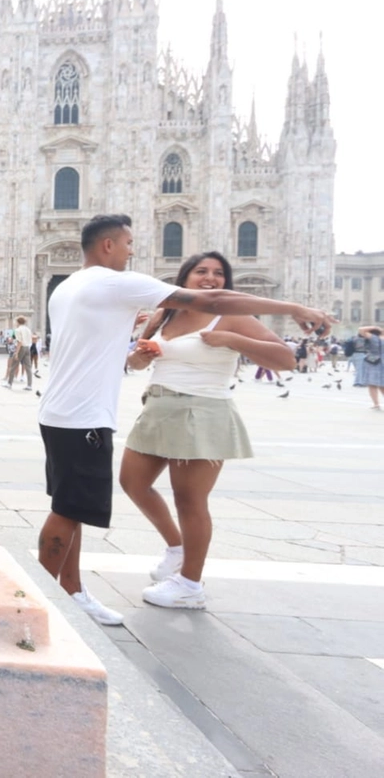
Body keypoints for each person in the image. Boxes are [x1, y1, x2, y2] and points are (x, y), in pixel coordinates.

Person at [36, 215, 332, 626]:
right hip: (84, 415)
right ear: (108, 246)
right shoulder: (115, 283)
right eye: (128, 243)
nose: (132, 250)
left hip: (64, 411)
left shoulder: (69, 285)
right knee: (68, 511)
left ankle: (71, 591)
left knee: (71, 506)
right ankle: (39, 605)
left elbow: (114, 347)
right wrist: (293, 306)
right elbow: (212, 303)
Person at [119, 252, 296, 610]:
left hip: (204, 411)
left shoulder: (231, 316)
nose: (210, 278)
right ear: (184, 278)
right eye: (201, 272)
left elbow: (286, 359)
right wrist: (141, 357)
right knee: (132, 482)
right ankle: (177, 547)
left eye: (218, 273)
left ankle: (189, 584)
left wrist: (234, 341)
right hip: (158, 406)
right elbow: (135, 360)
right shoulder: (164, 313)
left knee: (189, 500)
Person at [356, 326, 384, 409]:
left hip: (373, 362)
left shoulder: (373, 338)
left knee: (372, 384)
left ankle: (376, 404)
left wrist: (375, 327)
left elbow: (361, 329)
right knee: (382, 384)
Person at [5, 316, 33, 390]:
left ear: (18, 322)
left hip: (21, 348)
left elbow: (19, 342)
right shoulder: (28, 329)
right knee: (28, 367)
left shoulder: (18, 330)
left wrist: (16, 353)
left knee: (13, 365)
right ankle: (29, 385)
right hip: (27, 347)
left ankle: (9, 383)